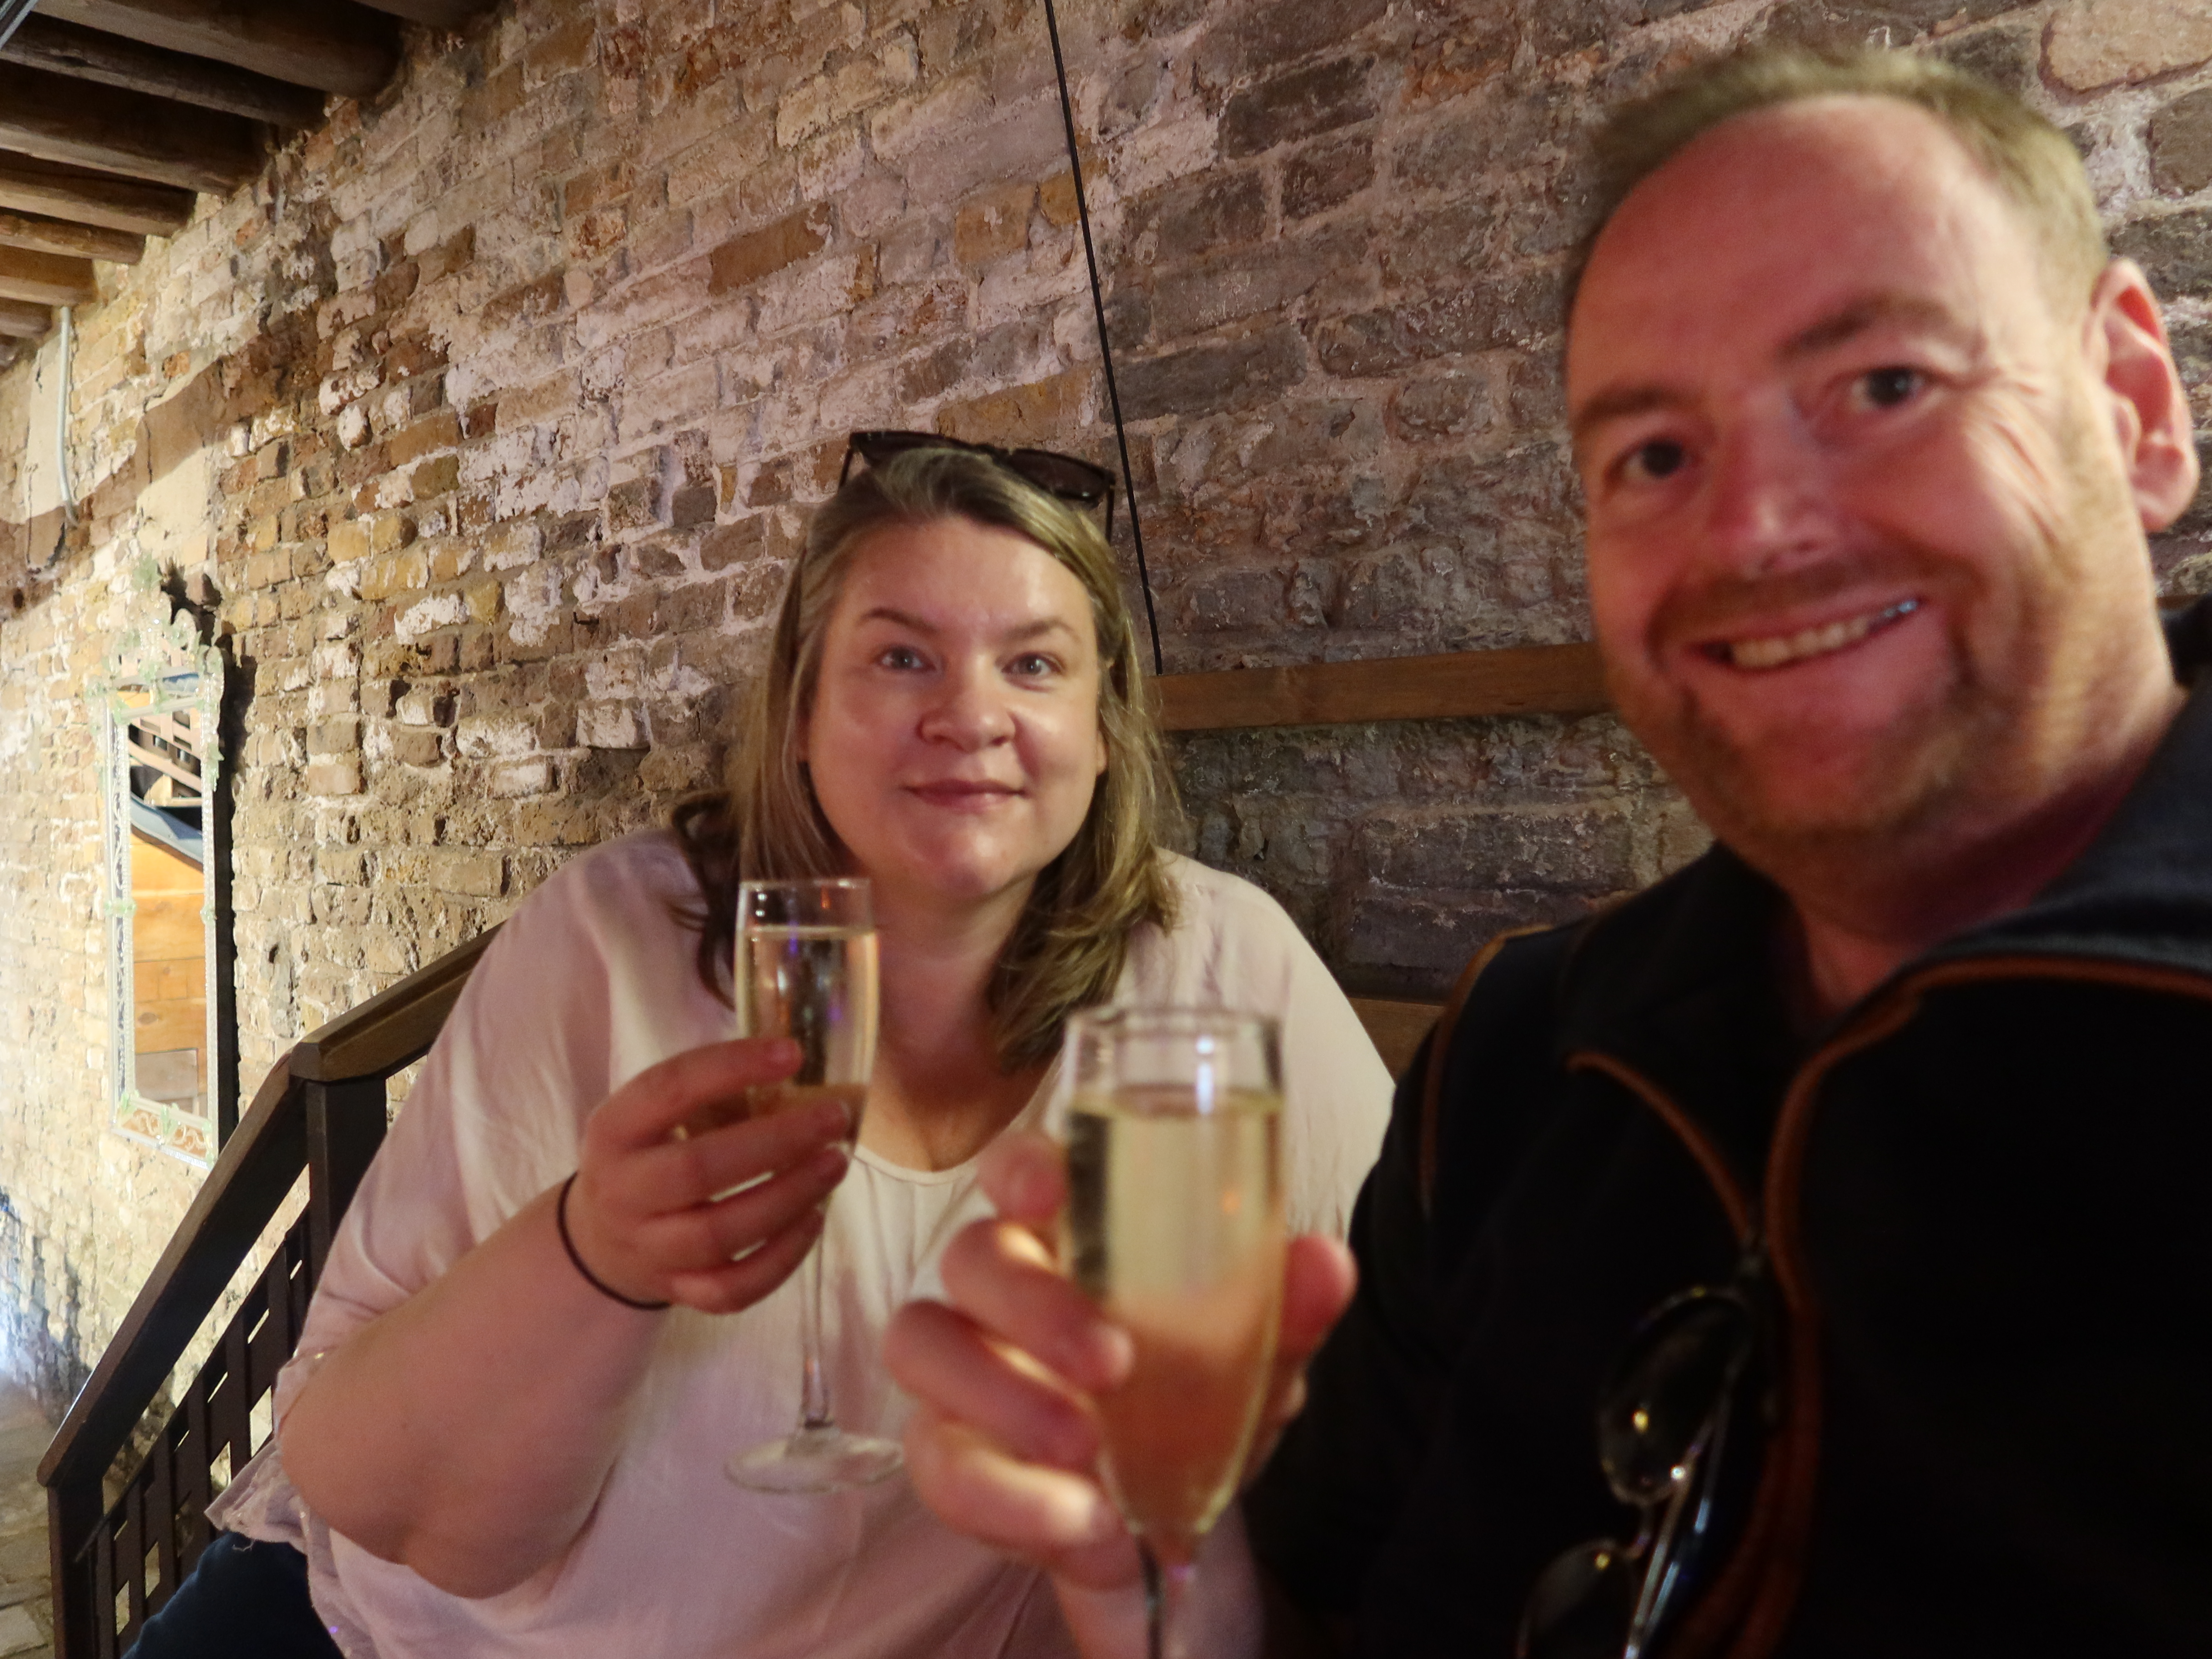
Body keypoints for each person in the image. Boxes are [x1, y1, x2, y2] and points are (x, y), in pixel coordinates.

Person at [884, 46, 2212, 1659]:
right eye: (1655, 456)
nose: (1753, 532)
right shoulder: (1517, 1066)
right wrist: (1161, 1582)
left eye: (1884, 389)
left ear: (2138, 408)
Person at [158, 443, 1392, 1658]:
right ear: (800, 714)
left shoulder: (1220, 970)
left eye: (1034, 664)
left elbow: (1404, 1382)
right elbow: (391, 1508)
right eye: (903, 657)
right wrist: (598, 1255)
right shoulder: (617, 942)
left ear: (1105, 726)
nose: (971, 714)